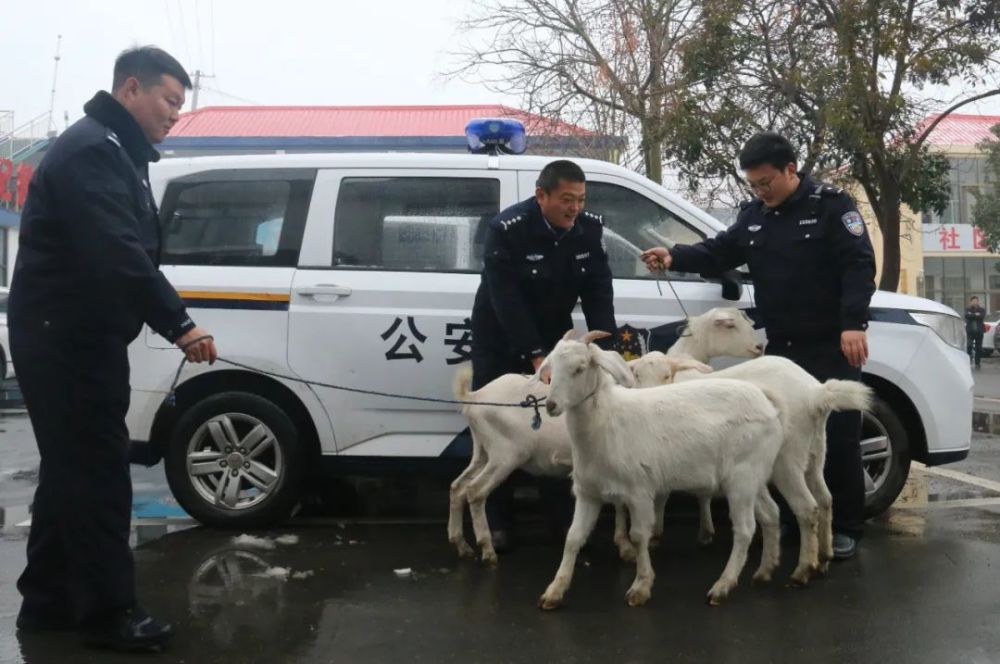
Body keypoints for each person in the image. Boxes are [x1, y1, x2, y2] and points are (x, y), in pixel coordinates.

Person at [9, 46, 218, 652]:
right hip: (65, 338)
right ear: (132, 88)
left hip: (76, 334)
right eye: (170, 101)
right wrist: (179, 322)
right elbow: (116, 250)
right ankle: (108, 614)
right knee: (99, 472)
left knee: (72, 470)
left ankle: (47, 602)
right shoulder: (92, 151)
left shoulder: (114, 150)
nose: (175, 115)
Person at [640, 132, 876, 560]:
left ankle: (845, 526)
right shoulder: (754, 216)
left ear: (791, 170)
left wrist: (853, 323)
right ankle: (792, 519)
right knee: (782, 436)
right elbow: (720, 251)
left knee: (837, 435)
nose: (760, 191)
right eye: (753, 184)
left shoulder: (831, 205)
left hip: (830, 344)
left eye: (766, 182)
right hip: (783, 348)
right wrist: (675, 256)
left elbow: (859, 264)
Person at [470, 159, 617, 551]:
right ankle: (496, 521)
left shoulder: (589, 229)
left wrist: (605, 344)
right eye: (567, 199)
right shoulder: (508, 229)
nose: (575, 208)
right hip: (500, 337)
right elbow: (506, 298)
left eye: (581, 200)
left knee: (557, 424)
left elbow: (599, 287)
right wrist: (536, 356)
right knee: (499, 428)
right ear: (542, 196)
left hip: (554, 334)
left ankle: (561, 519)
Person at [965, 296, 986, 369]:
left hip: (979, 332)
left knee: (979, 348)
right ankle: (969, 360)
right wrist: (975, 315)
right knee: (969, 346)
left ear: (978, 301)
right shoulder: (968, 309)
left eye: (976, 301)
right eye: (973, 301)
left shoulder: (982, 309)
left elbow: (981, 316)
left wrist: (972, 315)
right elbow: (967, 316)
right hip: (970, 332)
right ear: (971, 302)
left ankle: (977, 363)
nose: (975, 302)